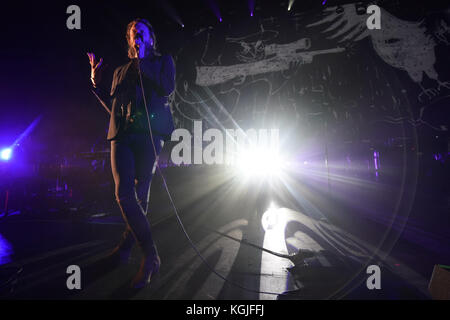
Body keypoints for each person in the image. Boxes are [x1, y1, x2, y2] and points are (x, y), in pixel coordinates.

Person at [87, 18, 175, 289]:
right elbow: (113, 107)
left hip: (148, 136)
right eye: (132, 32)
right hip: (122, 136)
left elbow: (166, 88)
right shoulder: (120, 71)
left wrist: (142, 60)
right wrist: (95, 84)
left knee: (141, 198)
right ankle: (150, 257)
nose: (135, 34)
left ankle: (125, 250)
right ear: (128, 39)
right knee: (124, 194)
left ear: (150, 37)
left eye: (141, 31)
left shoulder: (163, 62)